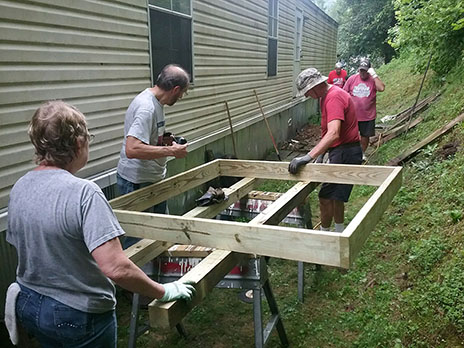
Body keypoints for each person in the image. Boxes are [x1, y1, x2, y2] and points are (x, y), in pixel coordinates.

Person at [5, 101, 195, 347]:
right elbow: (117, 268)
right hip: (76, 314)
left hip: (30, 304)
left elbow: (25, 245)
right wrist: (164, 291)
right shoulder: (84, 193)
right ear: (77, 143)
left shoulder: (21, 186)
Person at [117, 64, 190, 248]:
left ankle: (155, 272)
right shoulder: (147, 108)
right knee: (138, 241)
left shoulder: (155, 103)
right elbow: (132, 149)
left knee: (158, 233)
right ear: (175, 89)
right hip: (137, 182)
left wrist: (164, 140)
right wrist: (171, 151)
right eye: (183, 93)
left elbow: (145, 139)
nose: (181, 97)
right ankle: (134, 275)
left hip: (151, 178)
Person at [288, 68, 362, 232]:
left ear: (314, 87)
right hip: (341, 151)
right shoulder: (326, 97)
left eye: (307, 92)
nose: (307, 96)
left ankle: (325, 237)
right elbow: (326, 132)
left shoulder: (333, 97)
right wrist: (321, 154)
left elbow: (334, 133)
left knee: (326, 197)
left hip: (346, 152)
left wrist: (307, 157)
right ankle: (339, 232)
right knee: (336, 197)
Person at [343, 57, 385, 159]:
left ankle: (361, 153)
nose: (363, 73)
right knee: (349, 134)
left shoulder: (373, 80)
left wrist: (374, 75)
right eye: (361, 70)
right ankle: (349, 152)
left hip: (368, 115)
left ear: (369, 71)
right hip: (352, 114)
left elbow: (381, 88)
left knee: (365, 136)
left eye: (365, 71)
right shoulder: (352, 79)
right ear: (358, 69)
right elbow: (344, 93)